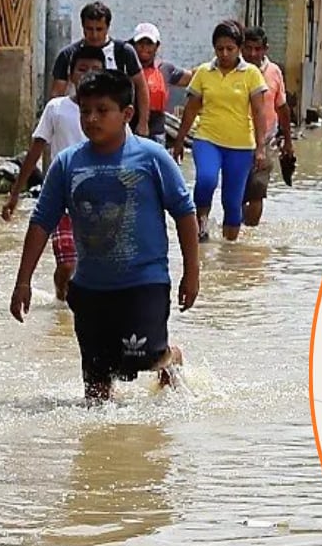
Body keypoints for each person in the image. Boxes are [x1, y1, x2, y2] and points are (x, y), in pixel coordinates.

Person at [10, 69, 200, 403]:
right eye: (85, 111)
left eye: (102, 110)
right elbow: (41, 221)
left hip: (144, 283)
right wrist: (23, 281)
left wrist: (192, 272)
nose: (91, 119)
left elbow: (184, 212)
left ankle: (169, 356)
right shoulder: (67, 163)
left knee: (142, 358)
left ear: (127, 114)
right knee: (97, 392)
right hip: (90, 288)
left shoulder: (151, 157)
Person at [1, 43, 103, 302]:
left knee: (93, 264)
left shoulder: (110, 113)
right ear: (70, 75)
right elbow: (35, 150)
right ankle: (61, 300)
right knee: (67, 265)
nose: (88, 75)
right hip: (63, 198)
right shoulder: (56, 108)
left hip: (99, 200)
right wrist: (15, 193)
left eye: (95, 69)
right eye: (82, 69)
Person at [171, 20, 270, 242]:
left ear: (239, 48)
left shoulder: (252, 74)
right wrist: (178, 141)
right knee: (206, 180)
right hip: (207, 139)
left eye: (230, 49)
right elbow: (190, 110)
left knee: (232, 202)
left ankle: (229, 252)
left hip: (241, 145)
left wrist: (260, 148)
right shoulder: (204, 73)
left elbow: (259, 112)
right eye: (219, 48)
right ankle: (201, 226)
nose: (224, 54)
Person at [239, 25, 293, 228]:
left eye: (258, 49)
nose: (253, 54)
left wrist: (288, 142)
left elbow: (282, 108)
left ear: (265, 49)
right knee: (236, 194)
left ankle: (248, 237)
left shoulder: (274, 72)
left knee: (257, 192)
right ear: (242, 48)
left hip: (266, 141)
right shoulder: (233, 71)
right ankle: (235, 233)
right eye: (248, 48)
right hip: (236, 140)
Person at [50, 1, 142, 102]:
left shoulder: (123, 52)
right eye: (89, 29)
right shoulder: (67, 55)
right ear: (83, 27)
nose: (94, 35)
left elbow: (141, 87)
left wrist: (142, 113)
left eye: (99, 29)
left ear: (107, 28)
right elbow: (57, 93)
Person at [131, 22, 191, 145]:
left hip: (157, 132)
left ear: (157, 46)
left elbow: (192, 77)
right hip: (130, 131)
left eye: (149, 44)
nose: (144, 47)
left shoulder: (165, 69)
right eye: (141, 43)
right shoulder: (126, 68)